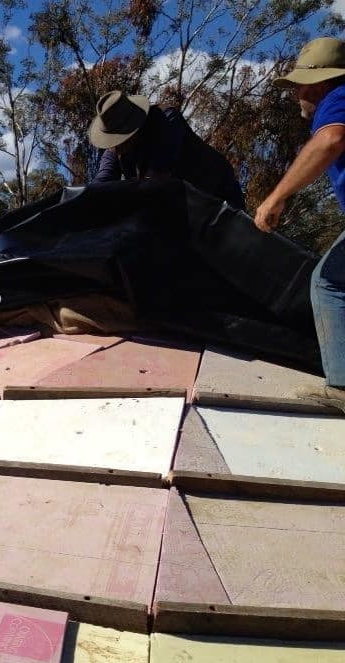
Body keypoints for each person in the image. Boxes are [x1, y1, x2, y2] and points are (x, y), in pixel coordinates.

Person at [254, 37, 345, 407]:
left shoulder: (337, 98)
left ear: (320, 83)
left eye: (300, 86)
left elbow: (330, 141)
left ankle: (341, 387)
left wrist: (277, 196)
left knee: (329, 283)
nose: (297, 95)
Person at [88, 90, 245, 209]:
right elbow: (101, 184)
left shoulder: (167, 120)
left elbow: (155, 181)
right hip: (180, 210)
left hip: (219, 199)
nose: (116, 146)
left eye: (120, 138)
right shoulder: (116, 150)